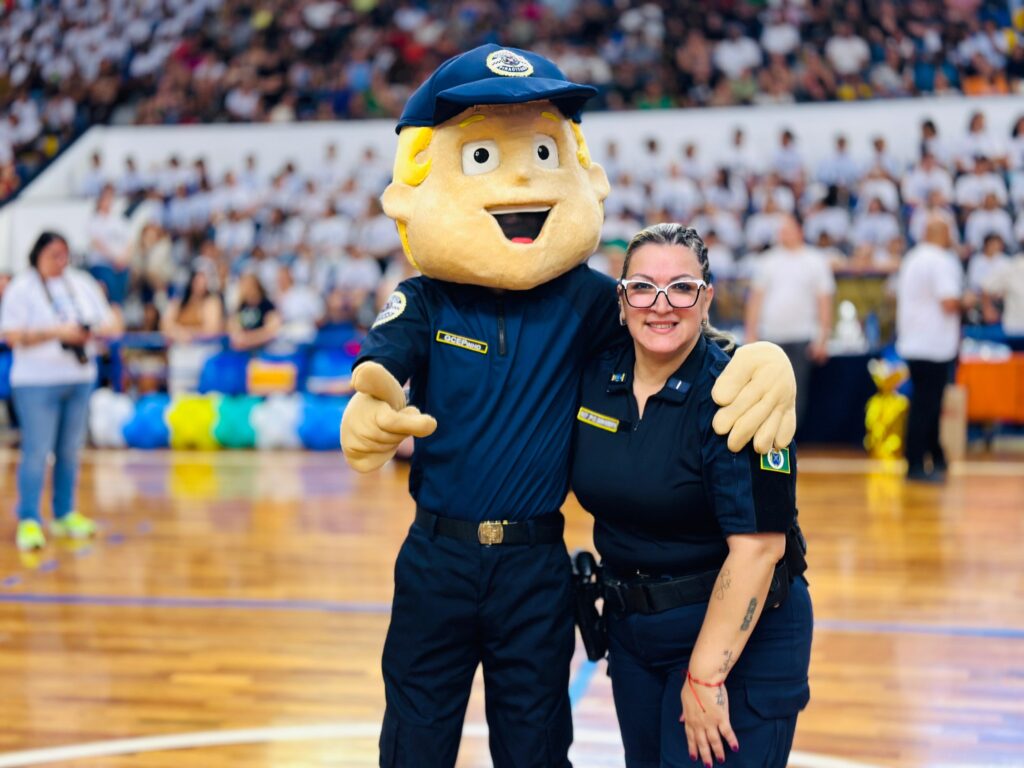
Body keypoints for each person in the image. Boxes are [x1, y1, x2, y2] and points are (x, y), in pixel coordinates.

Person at [340, 45, 797, 768]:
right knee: (414, 739)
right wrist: (367, 408)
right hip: (438, 554)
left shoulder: (587, 299)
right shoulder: (427, 299)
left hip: (535, 560)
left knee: (536, 742)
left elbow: (671, 325)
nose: (521, 176)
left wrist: (763, 360)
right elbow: (382, 366)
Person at [572, 223, 811, 768]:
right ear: (622, 298)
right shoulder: (595, 377)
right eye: (643, 287)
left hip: (735, 638)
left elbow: (759, 549)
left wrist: (705, 674)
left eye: (681, 287)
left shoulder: (739, 394)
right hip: (635, 638)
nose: (661, 305)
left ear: (706, 298)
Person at [0, 231, 121, 551]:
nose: (60, 260)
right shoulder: (22, 288)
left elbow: (111, 322)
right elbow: (11, 335)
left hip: (78, 376)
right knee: (37, 452)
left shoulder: (81, 283)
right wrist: (56, 332)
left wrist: (88, 333)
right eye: (53, 254)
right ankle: (28, 518)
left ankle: (64, 512)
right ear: (37, 254)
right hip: (36, 380)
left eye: (64, 253)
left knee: (69, 450)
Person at [745, 216, 835, 427]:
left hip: (802, 335)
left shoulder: (815, 261)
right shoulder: (767, 261)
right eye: (781, 230)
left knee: (795, 392)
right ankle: (766, 442)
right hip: (770, 335)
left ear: (799, 231)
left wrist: (823, 338)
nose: (783, 234)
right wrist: (751, 333)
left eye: (788, 229)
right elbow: (755, 300)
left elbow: (824, 302)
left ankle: (790, 442)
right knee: (767, 392)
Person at [896, 215, 964, 482]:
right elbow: (948, 302)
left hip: (915, 341)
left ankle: (935, 456)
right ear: (943, 233)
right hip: (934, 343)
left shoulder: (913, 258)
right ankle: (914, 462)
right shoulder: (940, 260)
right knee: (926, 405)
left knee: (928, 403)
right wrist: (967, 300)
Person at [228, 272, 281, 352]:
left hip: (264, 349)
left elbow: (272, 330)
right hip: (244, 349)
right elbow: (233, 327)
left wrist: (250, 339)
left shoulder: (267, 305)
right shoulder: (241, 306)